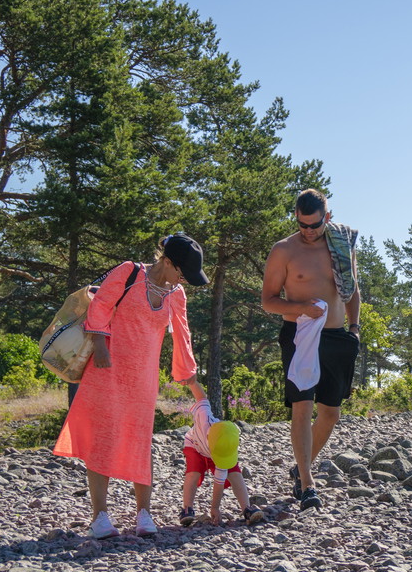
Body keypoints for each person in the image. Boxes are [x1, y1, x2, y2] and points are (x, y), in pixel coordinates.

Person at [54, 233, 209, 539]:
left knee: (140, 439)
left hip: (143, 377)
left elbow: (183, 332)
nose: (185, 280)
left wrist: (187, 372)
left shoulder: (176, 293)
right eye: (182, 272)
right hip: (107, 368)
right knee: (103, 438)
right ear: (166, 261)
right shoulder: (129, 273)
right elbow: (99, 306)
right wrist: (100, 345)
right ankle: (99, 517)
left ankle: (144, 514)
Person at [261, 189, 361, 511]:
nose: (308, 231)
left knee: (330, 413)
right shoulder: (284, 251)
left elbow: (351, 288)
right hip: (299, 334)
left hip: (335, 335)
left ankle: (300, 467)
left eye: (314, 225)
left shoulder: (340, 245)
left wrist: (355, 328)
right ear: (296, 218)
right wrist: (302, 306)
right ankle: (307, 484)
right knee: (302, 407)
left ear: (326, 218)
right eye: (302, 225)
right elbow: (268, 301)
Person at [180, 383, 264, 526]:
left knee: (235, 473)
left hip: (216, 449)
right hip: (194, 444)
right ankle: (187, 509)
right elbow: (201, 398)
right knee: (193, 473)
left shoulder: (227, 440)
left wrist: (215, 508)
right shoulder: (204, 418)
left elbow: (218, 483)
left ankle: (247, 509)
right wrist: (192, 381)